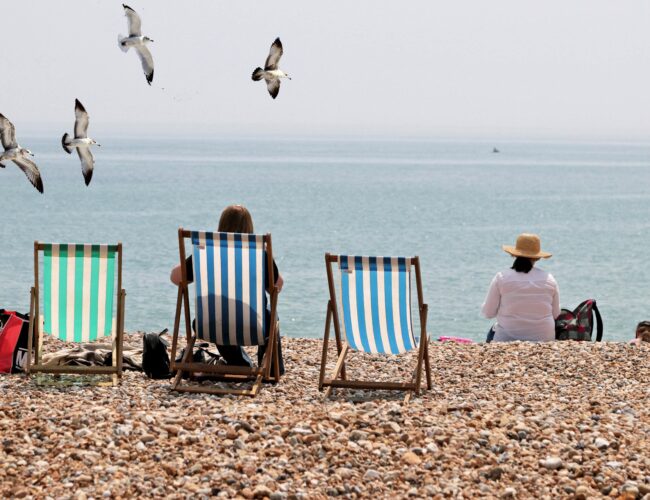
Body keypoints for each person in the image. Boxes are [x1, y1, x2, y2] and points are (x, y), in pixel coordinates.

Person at [170, 204, 285, 374]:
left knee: (220, 316)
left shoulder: (205, 252)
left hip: (208, 325)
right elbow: (277, 287)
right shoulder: (259, 252)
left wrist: (196, 259)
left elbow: (175, 277)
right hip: (254, 326)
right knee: (271, 315)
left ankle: (240, 363)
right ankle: (272, 369)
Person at [482, 233, 560, 342]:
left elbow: (488, 313)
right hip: (544, 339)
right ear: (537, 258)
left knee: (493, 330)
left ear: (514, 255)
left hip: (506, 339)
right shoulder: (549, 279)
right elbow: (556, 314)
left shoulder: (501, 277)